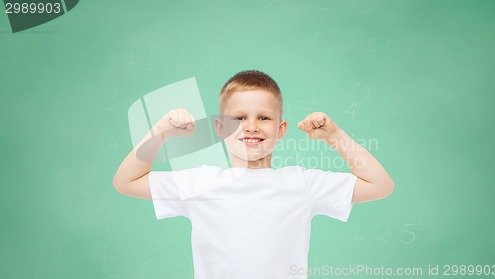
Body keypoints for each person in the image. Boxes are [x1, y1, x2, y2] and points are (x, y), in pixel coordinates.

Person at [113, 70, 394, 279]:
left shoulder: (302, 183)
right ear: (220, 128)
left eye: (263, 117)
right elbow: (126, 181)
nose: (251, 126)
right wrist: (162, 131)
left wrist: (334, 135)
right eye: (238, 118)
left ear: (281, 129)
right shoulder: (200, 183)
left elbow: (380, 185)